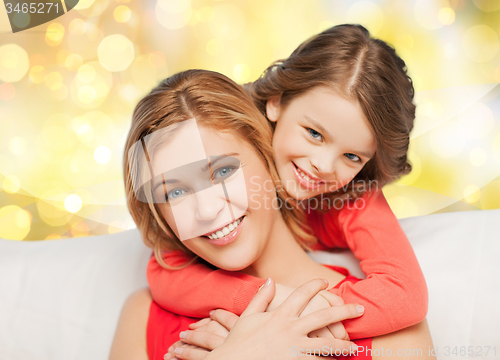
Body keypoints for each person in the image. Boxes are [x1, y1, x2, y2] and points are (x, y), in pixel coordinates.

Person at [110, 69, 434, 360]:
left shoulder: (392, 331)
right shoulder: (143, 314)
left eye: (223, 171)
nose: (207, 209)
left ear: (269, 157)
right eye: (175, 192)